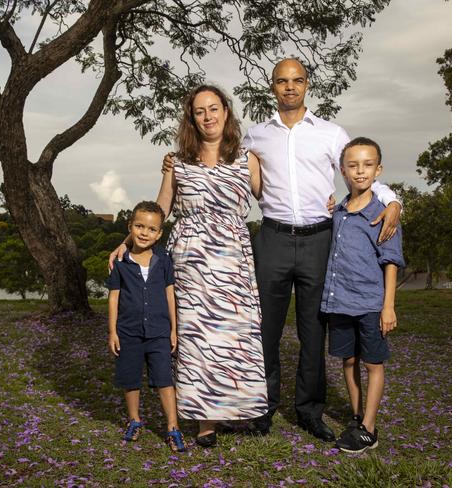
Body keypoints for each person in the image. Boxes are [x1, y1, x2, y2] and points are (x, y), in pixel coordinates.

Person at [163, 59, 402, 441]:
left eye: (297, 81)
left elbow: (363, 164)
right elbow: (216, 164)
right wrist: (172, 165)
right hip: (272, 238)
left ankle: (309, 410)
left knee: (313, 332)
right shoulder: (255, 138)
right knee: (265, 330)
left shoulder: (331, 133)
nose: (289, 87)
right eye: (281, 81)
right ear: (272, 87)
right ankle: (262, 409)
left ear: (307, 84)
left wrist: (392, 201)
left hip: (318, 239)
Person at [111, 85, 268, 448]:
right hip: (191, 260)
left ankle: (234, 409)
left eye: (214, 108)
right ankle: (205, 421)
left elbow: (273, 199)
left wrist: (326, 200)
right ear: (192, 118)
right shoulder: (177, 161)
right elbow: (160, 211)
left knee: (233, 336)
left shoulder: (248, 159)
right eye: (200, 111)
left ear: (226, 112)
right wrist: (127, 241)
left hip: (232, 258)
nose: (208, 116)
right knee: (198, 339)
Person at [320, 137, 405, 453]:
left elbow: (391, 262)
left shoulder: (384, 213)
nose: (360, 171)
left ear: (378, 169)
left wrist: (388, 307)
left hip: (370, 304)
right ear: (343, 170)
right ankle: (357, 416)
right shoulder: (338, 212)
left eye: (367, 165)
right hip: (340, 301)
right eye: (353, 165)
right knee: (348, 360)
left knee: (373, 364)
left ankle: (369, 427)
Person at [107, 200, 186, 452]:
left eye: (151, 229)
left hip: (159, 332)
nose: (144, 232)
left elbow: (170, 294)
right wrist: (113, 332)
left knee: (164, 378)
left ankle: (173, 427)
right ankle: (134, 421)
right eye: (139, 226)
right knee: (131, 379)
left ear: (159, 233)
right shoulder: (120, 261)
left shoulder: (163, 259)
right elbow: (113, 297)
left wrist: (174, 329)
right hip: (128, 332)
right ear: (129, 227)